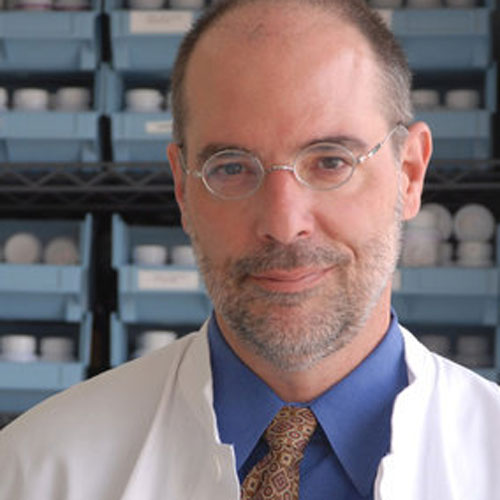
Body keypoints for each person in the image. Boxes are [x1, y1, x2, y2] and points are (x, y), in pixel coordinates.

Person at [1, 0, 500, 498]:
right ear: (182, 188)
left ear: (409, 174)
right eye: (232, 168)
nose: (283, 225)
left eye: (330, 161)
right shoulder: (36, 470)